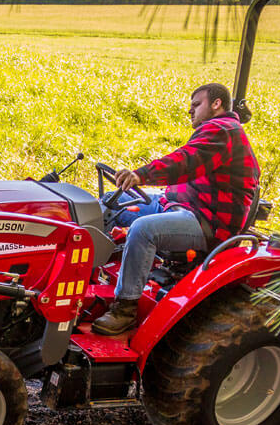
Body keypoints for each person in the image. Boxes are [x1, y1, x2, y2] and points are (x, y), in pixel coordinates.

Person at [92, 82, 259, 336]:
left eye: (196, 105)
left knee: (143, 230)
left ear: (217, 104)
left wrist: (142, 175)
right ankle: (91, 277)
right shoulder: (216, 131)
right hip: (181, 204)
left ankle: (124, 309)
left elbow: (185, 161)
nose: (190, 111)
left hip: (207, 221)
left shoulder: (223, 130)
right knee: (108, 205)